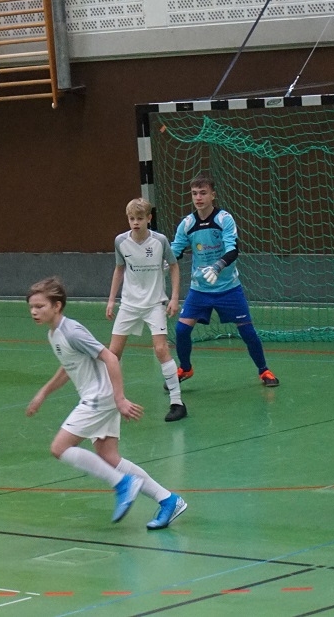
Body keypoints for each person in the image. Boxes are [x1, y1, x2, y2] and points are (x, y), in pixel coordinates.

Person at [26, 276, 187, 530]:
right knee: (109, 456)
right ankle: (168, 500)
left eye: (40, 306)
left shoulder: (72, 331)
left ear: (57, 306)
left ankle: (122, 484)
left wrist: (119, 399)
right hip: (99, 396)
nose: (34, 312)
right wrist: (43, 393)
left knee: (59, 448)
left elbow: (110, 357)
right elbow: (68, 367)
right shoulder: (54, 334)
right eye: (31, 307)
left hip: (100, 397)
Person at [170, 175, 280, 387]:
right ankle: (185, 368)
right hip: (200, 289)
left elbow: (233, 249)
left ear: (213, 195)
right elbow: (175, 249)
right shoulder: (187, 224)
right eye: (194, 193)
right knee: (182, 330)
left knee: (247, 331)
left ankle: (264, 371)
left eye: (203, 193)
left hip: (228, 288)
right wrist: (164, 261)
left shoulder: (224, 219)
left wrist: (218, 266)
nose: (198, 198)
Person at [106, 198, 186, 422]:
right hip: (129, 304)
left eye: (140, 218)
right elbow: (119, 269)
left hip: (154, 304)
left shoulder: (159, 241)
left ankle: (177, 403)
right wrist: (111, 300)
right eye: (132, 218)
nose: (135, 222)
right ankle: (109, 400)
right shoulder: (120, 241)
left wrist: (174, 298)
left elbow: (174, 266)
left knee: (161, 350)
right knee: (112, 354)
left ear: (149, 218)